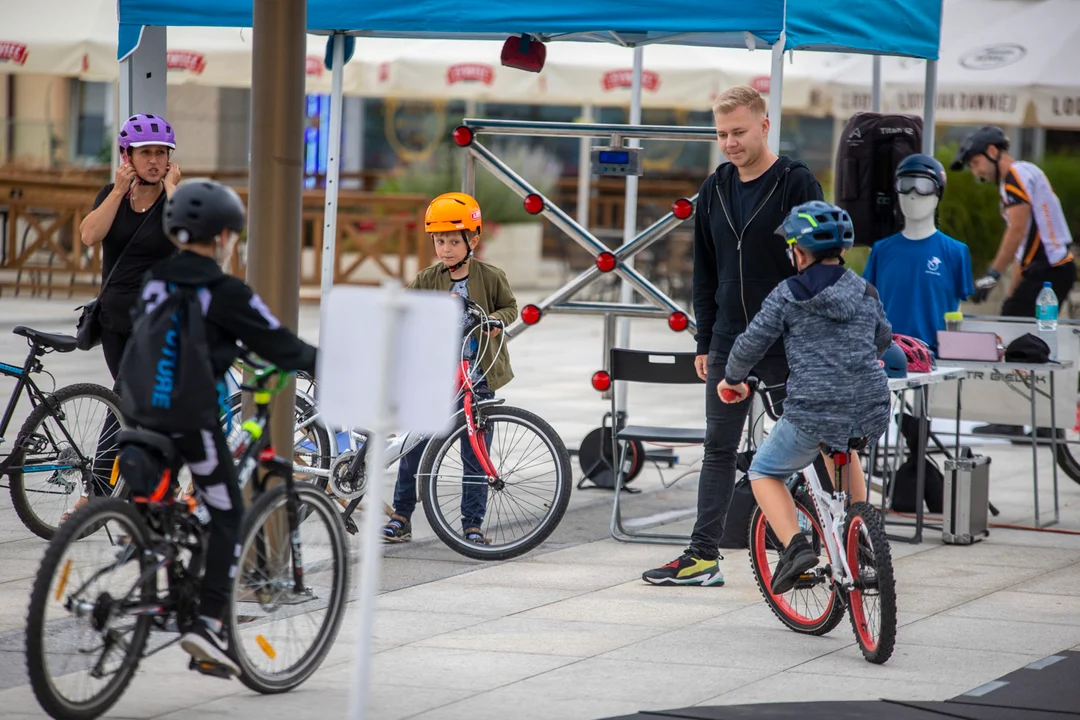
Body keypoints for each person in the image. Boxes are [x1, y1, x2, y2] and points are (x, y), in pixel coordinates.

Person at [124, 178, 318, 675]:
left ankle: (164, 593)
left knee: (167, 512)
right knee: (229, 512)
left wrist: (225, 349)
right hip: (190, 420)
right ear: (226, 236)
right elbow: (281, 345)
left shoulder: (154, 281)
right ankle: (206, 623)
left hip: (139, 412)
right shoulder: (223, 288)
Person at [642, 85, 824, 587]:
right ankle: (702, 556)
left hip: (789, 341)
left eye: (739, 132)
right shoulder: (715, 188)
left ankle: (823, 547)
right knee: (719, 447)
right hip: (729, 341)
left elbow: (820, 265)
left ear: (765, 126)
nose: (729, 143)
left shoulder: (795, 181)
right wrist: (705, 342)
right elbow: (705, 272)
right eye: (721, 134)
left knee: (813, 447)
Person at [718, 201, 893, 594]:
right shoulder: (865, 290)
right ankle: (862, 535)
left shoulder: (789, 293)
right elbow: (883, 338)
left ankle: (796, 549)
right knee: (843, 448)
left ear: (798, 251)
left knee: (764, 471)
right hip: (869, 408)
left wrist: (732, 378)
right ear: (842, 251)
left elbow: (751, 343)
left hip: (812, 408)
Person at [381, 192, 518, 545]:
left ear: (473, 240)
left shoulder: (491, 276)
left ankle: (472, 524)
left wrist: (493, 321)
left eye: (453, 241)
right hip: (434, 378)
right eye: (439, 241)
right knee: (412, 450)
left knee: (475, 455)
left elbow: (510, 308)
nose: (446, 249)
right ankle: (401, 517)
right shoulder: (428, 278)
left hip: (477, 380)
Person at [72, 114, 181, 521]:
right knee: (132, 406)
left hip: (157, 322)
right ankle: (135, 487)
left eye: (161, 153)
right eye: (145, 153)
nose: (154, 160)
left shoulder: (176, 200)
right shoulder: (111, 194)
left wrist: (173, 191)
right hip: (114, 320)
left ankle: (98, 492)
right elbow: (89, 235)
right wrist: (118, 191)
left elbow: (189, 242)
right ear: (127, 156)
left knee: (127, 399)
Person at [951, 126, 1075, 437]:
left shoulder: (1013, 178)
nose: (975, 170)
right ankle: (1045, 423)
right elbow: (1025, 246)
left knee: (1014, 334)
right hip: (1051, 268)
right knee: (1034, 337)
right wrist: (1012, 286)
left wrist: (992, 274)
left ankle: (1015, 419)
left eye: (976, 162)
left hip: (1049, 269)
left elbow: (1017, 231)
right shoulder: (1027, 172)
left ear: (993, 152)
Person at [863, 153, 974, 353]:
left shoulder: (956, 252)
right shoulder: (881, 250)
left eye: (924, 186)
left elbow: (957, 313)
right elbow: (868, 307)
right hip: (888, 354)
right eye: (905, 185)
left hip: (934, 356)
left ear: (938, 194)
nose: (912, 194)